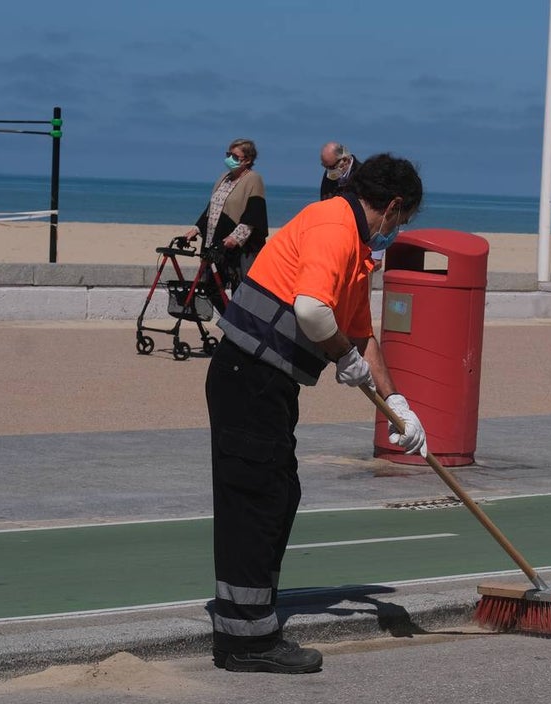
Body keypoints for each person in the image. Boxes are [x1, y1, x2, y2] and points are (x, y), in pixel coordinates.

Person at [206, 153, 426, 674]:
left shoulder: (356, 251)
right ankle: (246, 641)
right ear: (393, 206)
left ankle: (252, 618)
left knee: (279, 495)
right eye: (403, 219)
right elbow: (311, 310)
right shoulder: (333, 225)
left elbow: (362, 334)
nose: (397, 230)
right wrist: (341, 357)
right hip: (248, 376)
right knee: (256, 500)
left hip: (271, 383)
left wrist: (398, 405)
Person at [182, 138, 269, 297]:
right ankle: (227, 319)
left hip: (238, 247)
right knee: (212, 289)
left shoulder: (253, 179)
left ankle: (235, 321)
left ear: (247, 160)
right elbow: (212, 209)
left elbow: (254, 214)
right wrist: (196, 229)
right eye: (228, 154)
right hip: (216, 243)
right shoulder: (224, 178)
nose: (230, 159)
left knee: (239, 289)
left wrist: (235, 238)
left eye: (235, 156)